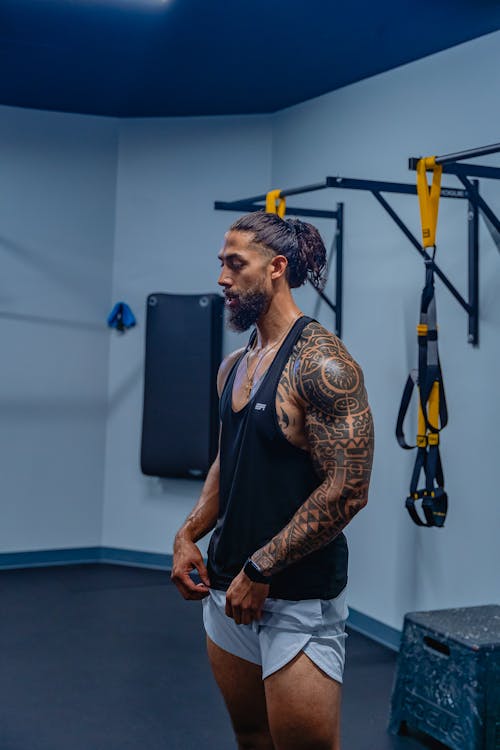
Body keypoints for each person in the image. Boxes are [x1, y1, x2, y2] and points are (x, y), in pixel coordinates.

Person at [171, 212, 374, 750]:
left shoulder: (324, 365)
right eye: (221, 264)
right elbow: (227, 461)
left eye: (235, 264)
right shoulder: (235, 365)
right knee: (252, 737)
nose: (222, 278)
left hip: (295, 599)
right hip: (226, 590)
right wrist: (188, 533)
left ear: (277, 267)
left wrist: (262, 567)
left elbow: (347, 489)